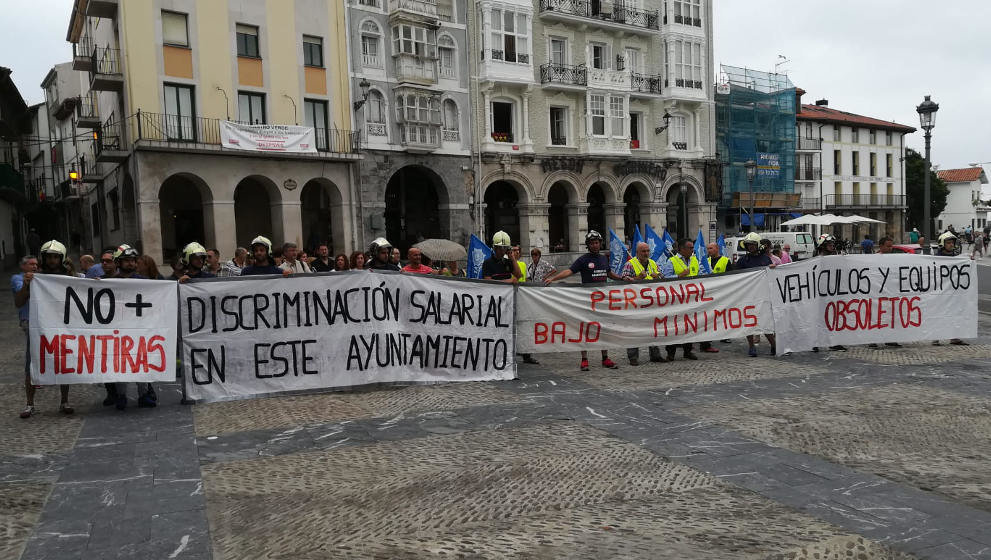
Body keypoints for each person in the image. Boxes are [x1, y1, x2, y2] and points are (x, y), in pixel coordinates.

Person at [545, 230, 621, 371]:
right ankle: (584, 359)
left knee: (603, 329)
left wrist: (622, 278)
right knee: (585, 330)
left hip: (602, 301)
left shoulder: (604, 258)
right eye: (591, 243)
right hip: (587, 301)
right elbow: (569, 271)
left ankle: (605, 358)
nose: (594, 245)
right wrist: (554, 278)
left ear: (600, 243)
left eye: (596, 242)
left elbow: (609, 273)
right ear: (588, 245)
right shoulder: (583, 260)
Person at [16, 242, 74, 418]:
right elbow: (19, 302)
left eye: (56, 257)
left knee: (64, 362)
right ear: (44, 257)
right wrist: (26, 286)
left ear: (61, 258)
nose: (52, 260)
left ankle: (64, 401)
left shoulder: (70, 276)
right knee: (31, 364)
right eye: (49, 256)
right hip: (39, 328)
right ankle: (29, 404)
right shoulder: (35, 277)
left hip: (64, 327)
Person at [104, 244, 159, 409]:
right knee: (120, 362)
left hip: (140, 329)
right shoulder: (109, 282)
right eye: (126, 260)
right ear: (119, 262)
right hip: (117, 329)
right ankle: (121, 396)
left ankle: (144, 394)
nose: (131, 264)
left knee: (141, 360)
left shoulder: (145, 282)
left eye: (133, 260)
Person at [482, 232, 531, 365]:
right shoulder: (487, 263)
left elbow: (518, 274)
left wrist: (512, 258)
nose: (501, 250)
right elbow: (488, 282)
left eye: (504, 248)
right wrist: (509, 281)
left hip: (507, 301)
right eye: (499, 248)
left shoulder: (507, 261)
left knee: (507, 328)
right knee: (494, 328)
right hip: (493, 302)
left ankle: (506, 354)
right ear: (494, 247)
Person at [621, 242, 664, 365]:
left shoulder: (653, 264)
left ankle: (655, 354)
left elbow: (663, 279)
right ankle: (633, 357)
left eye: (647, 251)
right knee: (634, 330)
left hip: (652, 303)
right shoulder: (630, 264)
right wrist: (637, 278)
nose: (646, 254)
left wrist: (659, 277)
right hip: (635, 304)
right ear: (637, 253)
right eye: (643, 251)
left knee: (654, 328)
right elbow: (623, 281)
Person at [736, 233, 778, 357]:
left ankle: (773, 345)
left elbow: (771, 275)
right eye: (748, 245)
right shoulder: (742, 261)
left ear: (758, 245)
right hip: (748, 296)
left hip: (763, 295)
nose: (750, 247)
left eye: (753, 245)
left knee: (765, 322)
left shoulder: (765, 258)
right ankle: (751, 346)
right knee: (749, 323)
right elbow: (736, 276)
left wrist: (772, 268)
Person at [664, 239, 701, 361]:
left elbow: (700, 276)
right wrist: (679, 276)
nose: (692, 250)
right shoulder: (672, 261)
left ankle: (688, 350)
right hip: (676, 299)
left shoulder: (694, 260)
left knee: (690, 325)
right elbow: (665, 278)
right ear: (682, 249)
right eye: (690, 248)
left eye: (692, 248)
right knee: (674, 326)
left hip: (691, 299)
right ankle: (671, 352)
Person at [810, 234, 847, 353]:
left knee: (833, 318)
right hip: (820, 294)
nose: (832, 246)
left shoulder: (835, 257)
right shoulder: (817, 259)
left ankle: (833, 342)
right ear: (823, 246)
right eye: (829, 244)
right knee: (818, 318)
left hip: (833, 293)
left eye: (832, 244)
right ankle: (814, 342)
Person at [933, 232, 970, 346]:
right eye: (948, 243)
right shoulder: (935, 258)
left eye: (952, 242)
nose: (951, 245)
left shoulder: (957, 257)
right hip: (940, 292)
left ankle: (954, 337)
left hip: (954, 292)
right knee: (939, 314)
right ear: (942, 244)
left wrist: (969, 260)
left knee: (955, 313)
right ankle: (935, 337)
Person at [699, 243, 732, 354]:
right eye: (708, 249)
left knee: (723, 314)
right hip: (709, 293)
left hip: (722, 292)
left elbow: (731, 276)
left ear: (717, 249)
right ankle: (706, 340)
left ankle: (724, 334)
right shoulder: (705, 262)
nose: (709, 250)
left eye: (711, 248)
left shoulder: (725, 260)